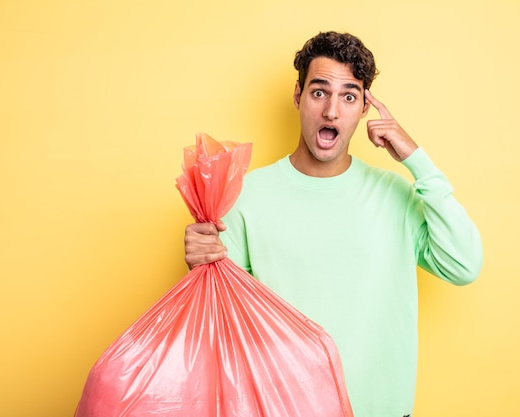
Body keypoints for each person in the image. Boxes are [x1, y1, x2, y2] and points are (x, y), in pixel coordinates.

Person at [184, 31, 483, 417]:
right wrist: (200, 268)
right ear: (298, 96)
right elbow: (223, 321)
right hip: (281, 410)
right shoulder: (244, 196)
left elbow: (463, 264)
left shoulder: (396, 194)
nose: (331, 112)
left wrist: (416, 160)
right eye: (319, 92)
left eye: (349, 96)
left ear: (363, 109)